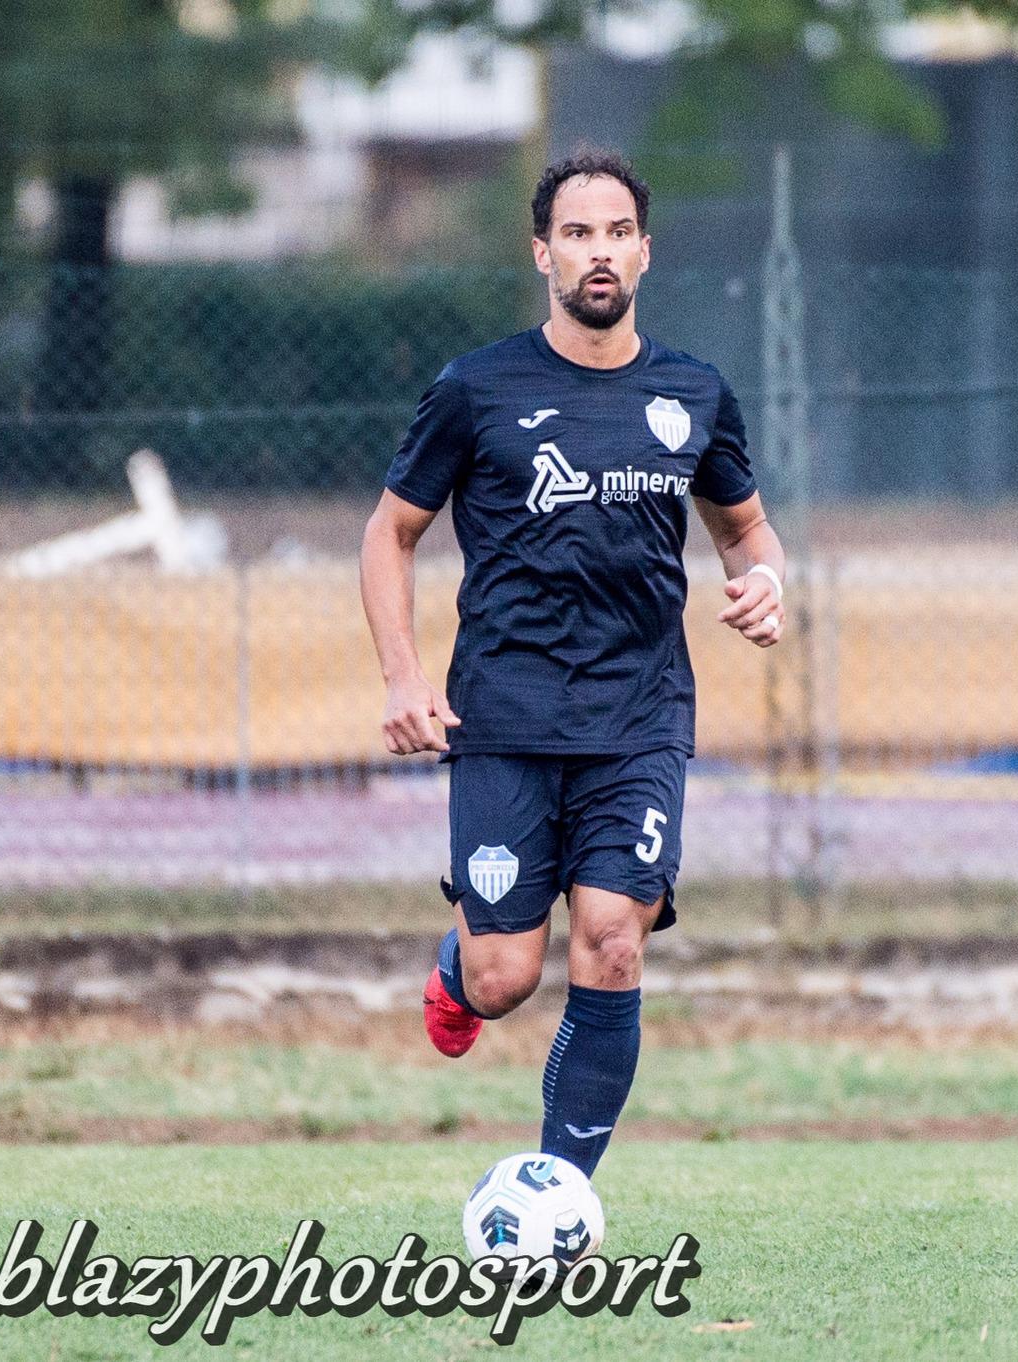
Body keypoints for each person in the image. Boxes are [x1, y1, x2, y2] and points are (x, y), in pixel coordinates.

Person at [357, 149, 786, 1178]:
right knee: (508, 976)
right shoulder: (476, 388)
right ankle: (460, 973)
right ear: (541, 252)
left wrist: (769, 578)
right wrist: (403, 679)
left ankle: (556, 1194)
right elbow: (388, 534)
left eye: (616, 233)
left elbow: (746, 532)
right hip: (501, 715)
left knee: (612, 940)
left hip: (637, 717)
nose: (598, 253)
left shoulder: (692, 392)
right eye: (577, 234)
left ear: (643, 250)